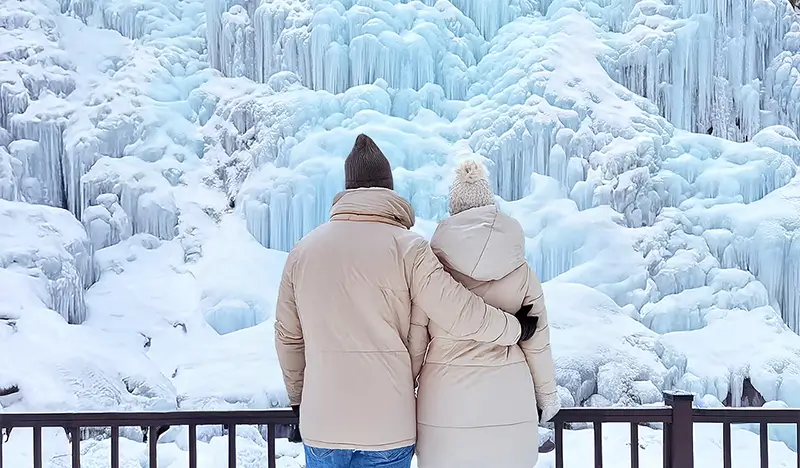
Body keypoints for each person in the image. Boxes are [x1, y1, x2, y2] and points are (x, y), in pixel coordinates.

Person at [274, 134, 540, 468]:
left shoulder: (303, 252)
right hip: (388, 427)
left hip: (322, 426)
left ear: (347, 188)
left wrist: (299, 402)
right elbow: (457, 310)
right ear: (388, 187)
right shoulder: (409, 249)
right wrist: (513, 329)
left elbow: (288, 338)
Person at [410, 160, 560, 468]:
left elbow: (415, 341)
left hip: (446, 405)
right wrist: (547, 397)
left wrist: (402, 392)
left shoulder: (432, 272)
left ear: (453, 209)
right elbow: (537, 342)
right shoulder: (522, 272)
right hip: (509, 404)